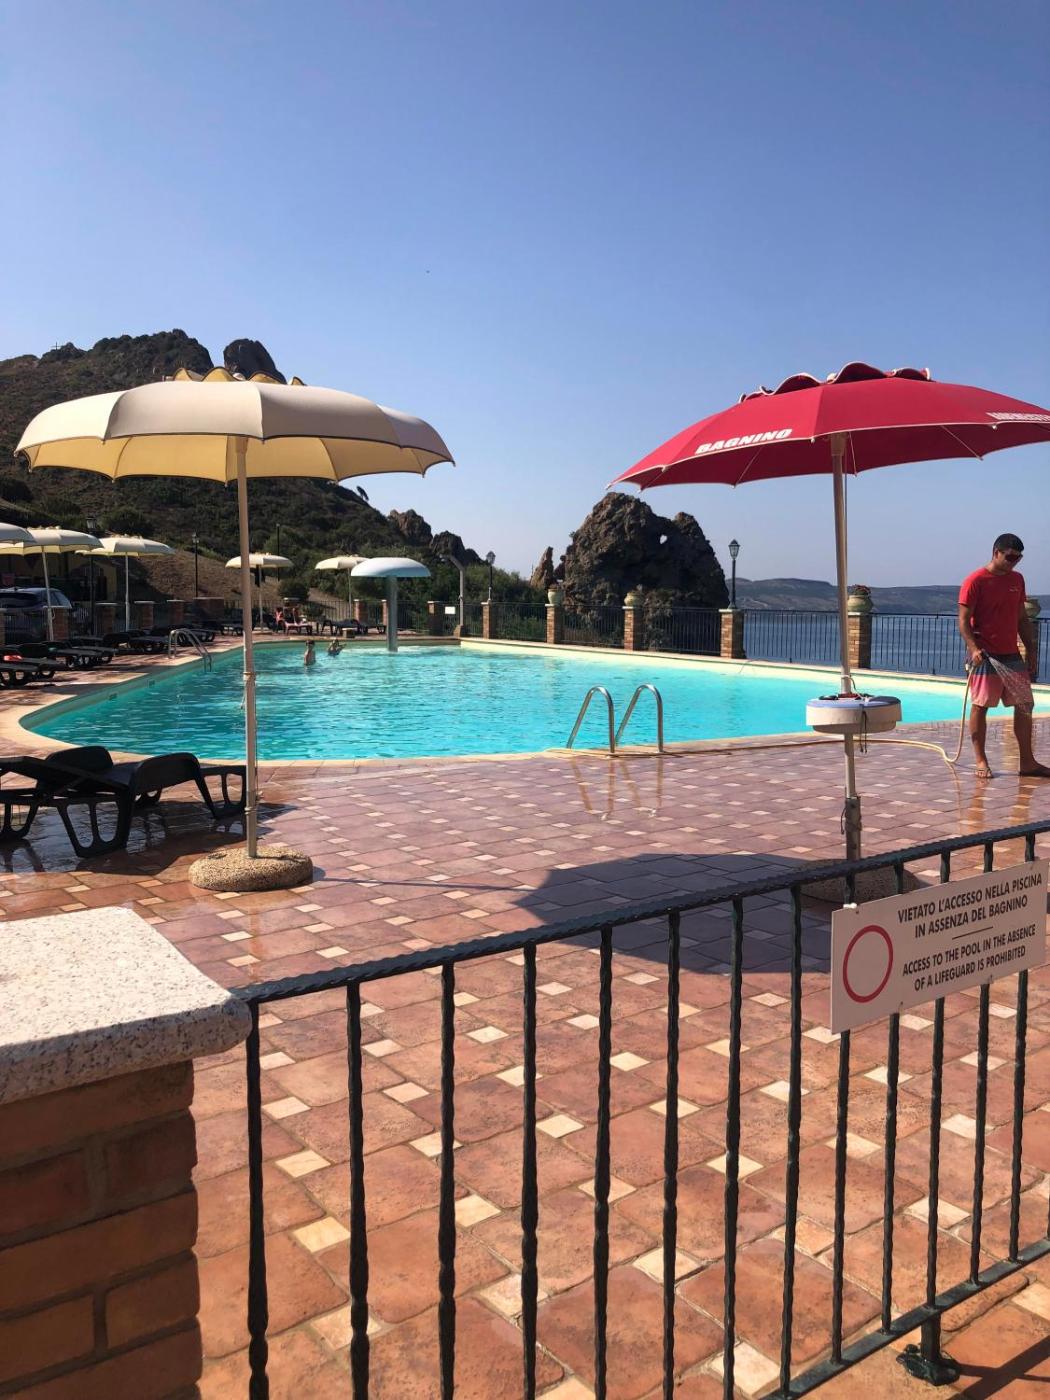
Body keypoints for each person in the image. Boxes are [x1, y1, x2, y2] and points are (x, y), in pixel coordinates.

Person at [958, 533, 1049, 780]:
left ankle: (1028, 762)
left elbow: (1021, 618)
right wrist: (973, 648)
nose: (1014, 562)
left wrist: (1031, 650)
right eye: (1010, 557)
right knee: (981, 706)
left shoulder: (1017, 580)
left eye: (1018, 558)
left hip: (1011, 654)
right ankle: (981, 760)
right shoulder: (975, 580)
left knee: (1025, 704)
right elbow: (963, 621)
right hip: (985, 655)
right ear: (996, 552)